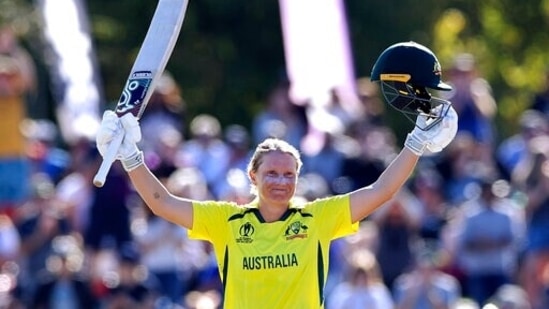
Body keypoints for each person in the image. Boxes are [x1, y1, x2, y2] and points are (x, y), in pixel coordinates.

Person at [95, 41, 458, 308]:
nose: (281, 181)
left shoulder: (317, 219)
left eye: (289, 174)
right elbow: (162, 203)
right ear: (253, 176)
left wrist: (415, 143)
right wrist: (130, 155)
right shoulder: (228, 221)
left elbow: (381, 190)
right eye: (272, 173)